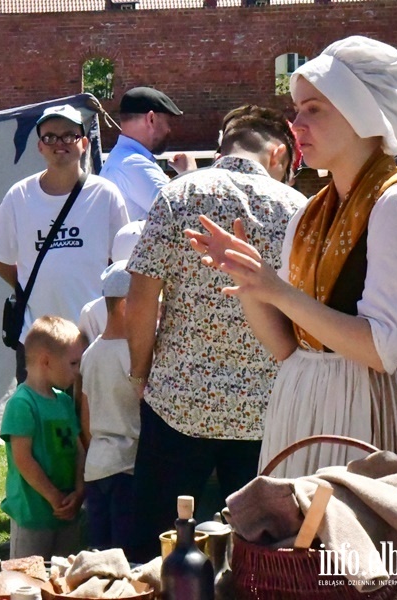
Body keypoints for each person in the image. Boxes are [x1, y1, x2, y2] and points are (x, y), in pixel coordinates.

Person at [185, 36, 397, 492]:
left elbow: (382, 348)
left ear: (362, 115)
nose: (296, 125)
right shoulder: (310, 213)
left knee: (358, 554)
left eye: (314, 109)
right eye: (298, 110)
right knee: (300, 559)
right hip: (303, 406)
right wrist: (249, 282)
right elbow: (289, 349)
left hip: (367, 412)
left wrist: (279, 291)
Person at [126, 105, 306, 560]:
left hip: (178, 401)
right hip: (266, 409)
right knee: (263, 551)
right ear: (280, 153)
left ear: (222, 148)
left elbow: (142, 297)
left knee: (156, 546)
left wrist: (138, 373)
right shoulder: (297, 209)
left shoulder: (177, 195)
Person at [0, 104, 129, 382]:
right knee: (37, 421)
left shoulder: (105, 194)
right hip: (38, 338)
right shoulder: (20, 195)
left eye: (69, 136)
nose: (59, 143)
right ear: (40, 146)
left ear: (84, 143)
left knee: (88, 422)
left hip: (92, 336)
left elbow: (122, 262)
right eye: (50, 137)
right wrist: (26, 287)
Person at [0, 315, 86, 559]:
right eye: (73, 363)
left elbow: (79, 449)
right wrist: (54, 497)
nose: (78, 371)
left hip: (67, 512)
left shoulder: (65, 401)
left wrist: (79, 491)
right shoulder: (22, 403)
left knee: (63, 577)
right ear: (46, 361)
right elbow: (23, 459)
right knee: (26, 580)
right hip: (32, 515)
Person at [78, 262, 139, 557]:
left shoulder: (90, 354)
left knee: (99, 555)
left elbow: (85, 418)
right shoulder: (136, 356)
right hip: (128, 468)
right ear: (126, 305)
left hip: (97, 467)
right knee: (126, 558)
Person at [99, 86, 194, 221]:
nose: (169, 130)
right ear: (151, 119)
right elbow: (187, 215)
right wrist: (189, 174)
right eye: (168, 122)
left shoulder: (121, 159)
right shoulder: (134, 165)